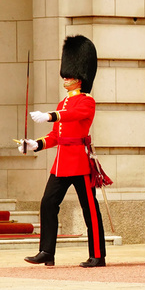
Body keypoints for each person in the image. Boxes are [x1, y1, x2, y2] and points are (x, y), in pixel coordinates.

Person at [21, 35, 106, 268]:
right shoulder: (62, 103)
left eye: (69, 75)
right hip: (62, 163)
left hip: (79, 161)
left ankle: (98, 255)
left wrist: (50, 116)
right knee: (48, 203)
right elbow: (56, 137)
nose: (65, 79)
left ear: (80, 78)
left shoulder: (87, 102)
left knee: (89, 210)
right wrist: (35, 144)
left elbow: (73, 117)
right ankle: (47, 251)